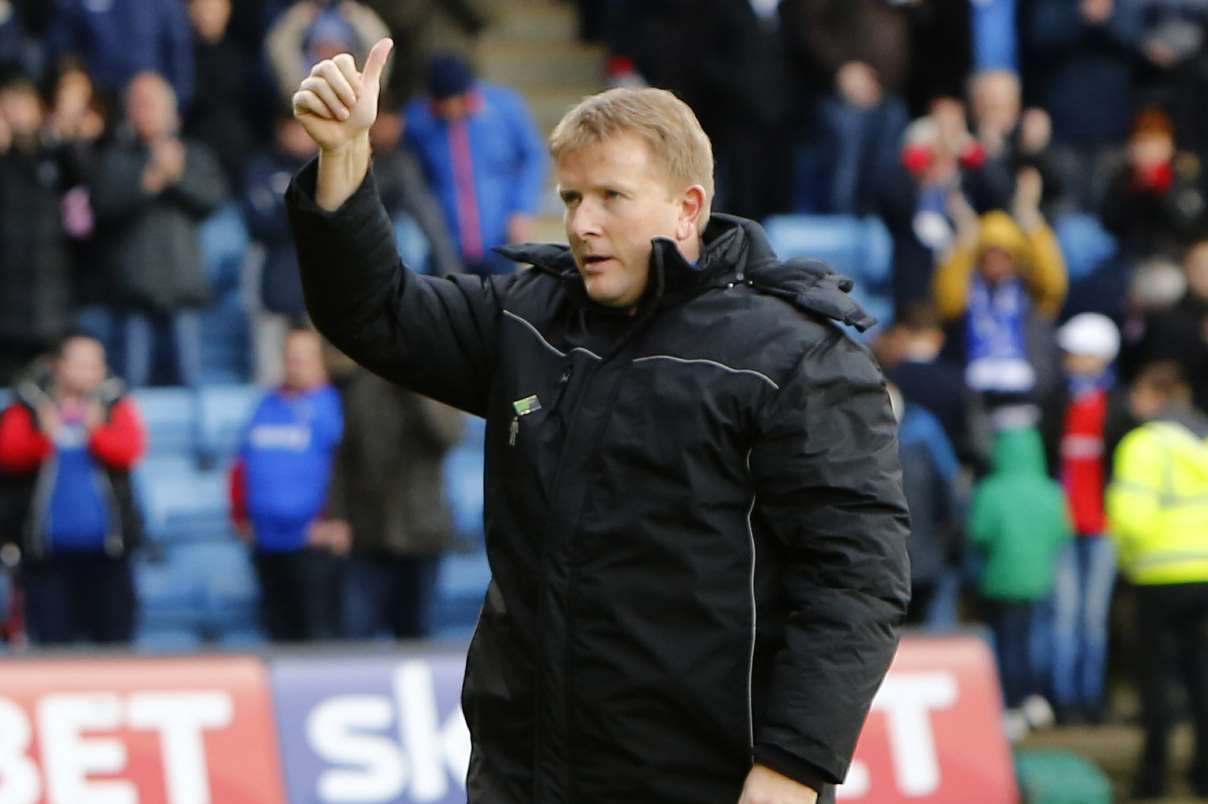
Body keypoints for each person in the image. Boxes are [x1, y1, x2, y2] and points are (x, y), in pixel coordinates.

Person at [286, 39, 910, 803]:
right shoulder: (527, 318)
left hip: (707, 783)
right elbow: (375, 313)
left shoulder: (795, 357)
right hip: (524, 777)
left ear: (688, 208)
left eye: (611, 198)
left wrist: (793, 768)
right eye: (572, 198)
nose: (581, 224)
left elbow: (859, 576)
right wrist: (345, 158)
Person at [0, 332, 146, 645]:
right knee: (53, 646)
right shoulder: (27, 406)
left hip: (108, 552)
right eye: (80, 364)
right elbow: (8, 454)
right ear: (57, 366)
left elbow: (130, 449)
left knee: (114, 645)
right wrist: (42, 437)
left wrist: (96, 433)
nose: (89, 372)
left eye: (95, 364)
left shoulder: (113, 405)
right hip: (45, 555)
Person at [1107, 361, 1208, 800]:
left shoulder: (1143, 444)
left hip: (1158, 574)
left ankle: (1154, 774)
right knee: (1202, 677)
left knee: (1157, 680)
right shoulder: (1203, 438)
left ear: (1153, 396)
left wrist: (1130, 560)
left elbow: (1131, 517)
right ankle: (1203, 772)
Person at [90, 71, 228, 387]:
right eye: (137, 104)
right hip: (131, 292)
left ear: (171, 110)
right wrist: (148, 182)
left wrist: (177, 177)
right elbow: (102, 208)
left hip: (183, 290)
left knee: (191, 385)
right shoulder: (115, 158)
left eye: (151, 104)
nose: (144, 111)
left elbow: (213, 200)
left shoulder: (193, 154)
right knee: (131, 386)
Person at [325, 363, 464, 640]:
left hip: (422, 533)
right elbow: (344, 458)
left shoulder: (437, 382)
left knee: (416, 632)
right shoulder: (361, 384)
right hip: (368, 533)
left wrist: (416, 387)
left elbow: (446, 435)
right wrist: (338, 516)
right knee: (355, 631)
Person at [229, 328, 345, 641]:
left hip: (313, 543)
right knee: (277, 632)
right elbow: (242, 464)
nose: (294, 364)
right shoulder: (265, 404)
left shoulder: (333, 406)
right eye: (290, 357)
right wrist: (241, 517)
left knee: (316, 634)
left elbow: (347, 469)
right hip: (265, 541)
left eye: (302, 357)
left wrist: (337, 520)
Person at [403, 51, 547, 276]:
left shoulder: (504, 107)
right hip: (447, 244)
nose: (452, 110)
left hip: (500, 237)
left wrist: (522, 208)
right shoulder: (418, 120)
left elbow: (532, 157)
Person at [969, 425, 1072, 725]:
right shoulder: (1051, 490)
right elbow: (1062, 531)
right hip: (1040, 580)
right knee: (1037, 640)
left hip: (1000, 580)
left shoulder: (991, 491)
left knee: (1007, 643)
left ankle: (1011, 702)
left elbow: (979, 532)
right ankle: (1035, 697)